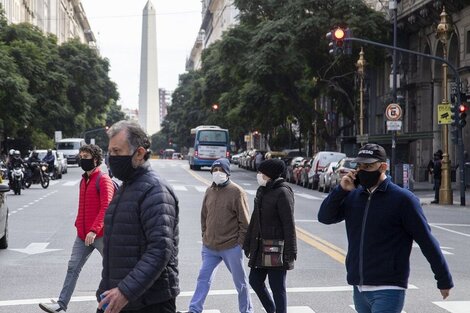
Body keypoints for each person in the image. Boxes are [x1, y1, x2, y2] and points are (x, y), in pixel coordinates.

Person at [318, 143, 453, 313]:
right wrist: (341, 190)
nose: (362, 170)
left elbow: (426, 240)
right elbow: (324, 217)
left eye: (368, 166)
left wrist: (443, 279)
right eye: (360, 166)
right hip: (359, 287)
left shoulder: (403, 200)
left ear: (383, 167)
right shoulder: (354, 196)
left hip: (389, 287)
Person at [97, 120, 179, 313]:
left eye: (117, 152)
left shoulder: (155, 190)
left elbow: (160, 249)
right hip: (120, 299)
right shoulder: (126, 187)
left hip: (148, 303)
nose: (112, 158)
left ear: (139, 153)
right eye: (110, 152)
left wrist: (125, 291)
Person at [39, 144, 115, 313]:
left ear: (95, 160)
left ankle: (116, 305)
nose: (82, 160)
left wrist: (94, 230)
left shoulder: (103, 179)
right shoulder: (84, 180)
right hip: (83, 235)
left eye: (86, 157)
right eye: (81, 156)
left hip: (101, 235)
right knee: (73, 267)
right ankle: (61, 304)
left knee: (113, 270)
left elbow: (106, 207)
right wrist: (80, 227)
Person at [179, 158, 253, 313]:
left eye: (221, 170)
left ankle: (247, 310)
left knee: (240, 283)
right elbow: (204, 216)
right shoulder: (209, 191)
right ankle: (194, 309)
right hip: (210, 247)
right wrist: (205, 236)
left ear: (227, 172)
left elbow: (245, 222)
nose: (217, 173)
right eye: (215, 170)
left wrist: (239, 244)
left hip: (231, 246)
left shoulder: (237, 192)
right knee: (203, 279)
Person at [243, 159, 296, 313]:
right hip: (260, 246)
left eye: (262, 173)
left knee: (277, 288)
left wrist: (290, 251)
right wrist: (247, 243)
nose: (259, 175)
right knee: (255, 281)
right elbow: (254, 219)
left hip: (276, 249)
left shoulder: (283, 192)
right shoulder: (262, 190)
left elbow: (289, 224)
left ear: (270, 174)